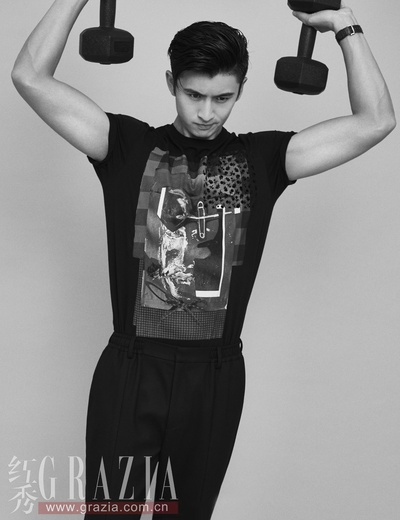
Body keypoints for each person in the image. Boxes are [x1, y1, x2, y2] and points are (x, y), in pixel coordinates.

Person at [12, 1, 395, 519]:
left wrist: (344, 24)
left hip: (214, 376)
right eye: (194, 95)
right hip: (133, 368)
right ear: (172, 82)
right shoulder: (125, 147)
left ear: (240, 89)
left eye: (223, 98)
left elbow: (376, 121)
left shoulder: (263, 161)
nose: (207, 113)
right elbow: (30, 76)